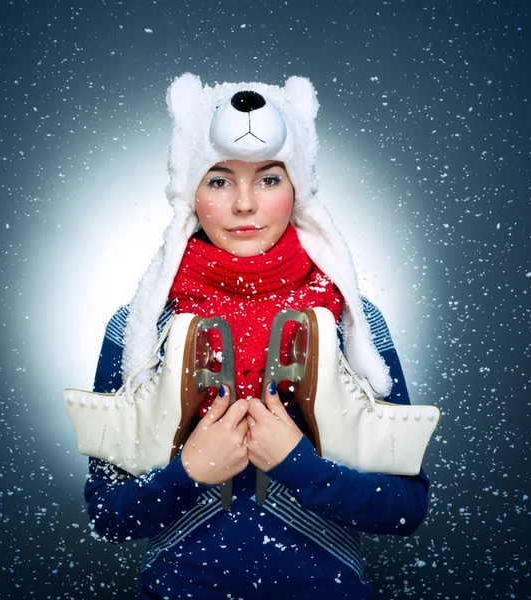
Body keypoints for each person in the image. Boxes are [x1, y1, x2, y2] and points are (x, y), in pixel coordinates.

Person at [83, 74, 430, 599]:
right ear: (189, 193)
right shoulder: (142, 327)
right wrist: (187, 473)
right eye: (219, 180)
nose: (244, 204)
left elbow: (406, 509)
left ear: (298, 190)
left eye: (269, 178)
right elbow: (108, 516)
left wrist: (300, 467)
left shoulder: (352, 323)